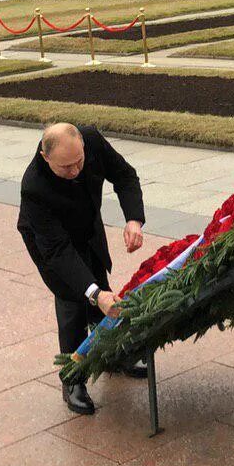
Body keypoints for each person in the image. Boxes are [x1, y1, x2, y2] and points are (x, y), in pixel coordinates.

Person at [17, 123, 149, 416]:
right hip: (50, 244)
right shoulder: (34, 187)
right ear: (45, 156)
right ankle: (73, 379)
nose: (76, 170)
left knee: (99, 280)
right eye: (66, 167)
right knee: (73, 300)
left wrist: (134, 220)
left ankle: (114, 356)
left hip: (86, 224)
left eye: (80, 162)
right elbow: (60, 253)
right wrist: (93, 293)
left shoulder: (90, 141)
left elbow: (126, 177)